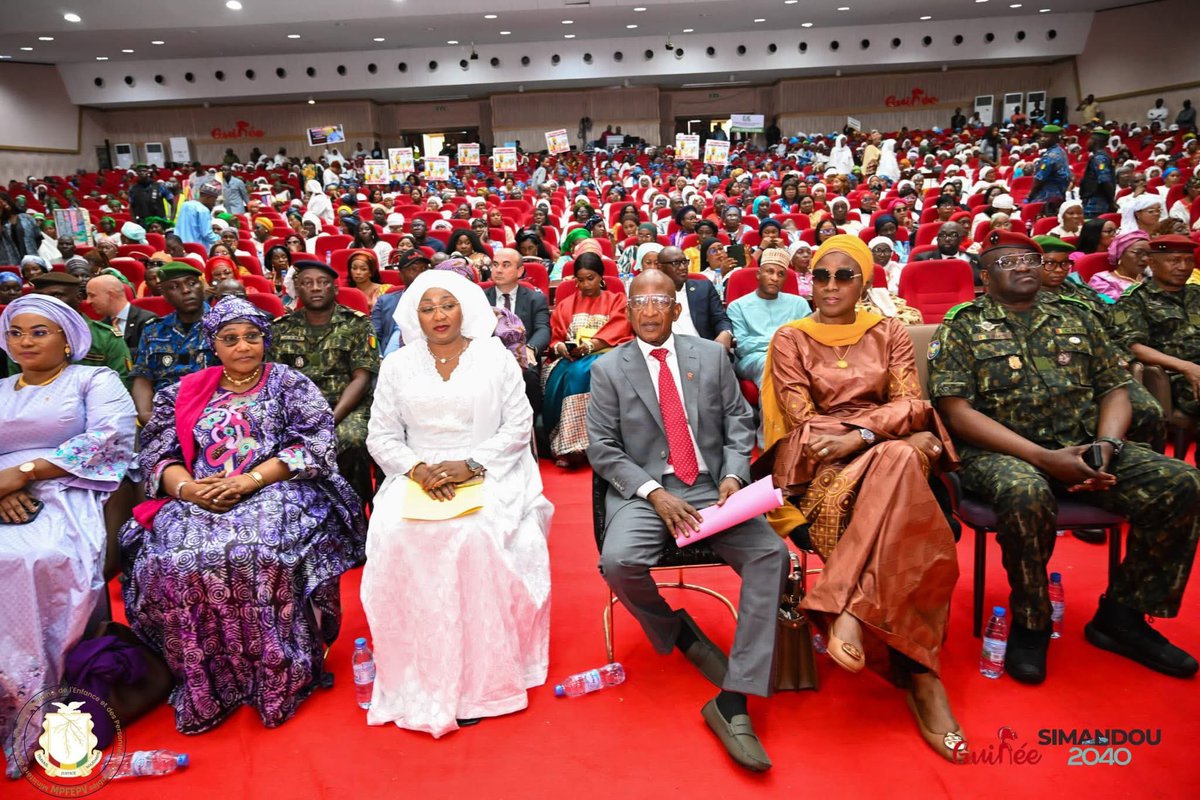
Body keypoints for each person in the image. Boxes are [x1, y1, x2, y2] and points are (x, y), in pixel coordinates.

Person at [929, 230, 1200, 684]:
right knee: (1025, 492)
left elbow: (1115, 389)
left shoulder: (1078, 315)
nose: (1023, 266)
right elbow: (956, 412)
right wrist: (1043, 457)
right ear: (985, 273)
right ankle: (1031, 621)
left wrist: (1106, 449)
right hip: (1001, 453)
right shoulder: (963, 324)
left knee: (1182, 482)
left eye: (1029, 259)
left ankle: (1122, 617)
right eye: (1008, 260)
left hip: (1084, 444)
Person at [758, 234, 966, 762]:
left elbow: (913, 401)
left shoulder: (891, 331)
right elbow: (805, 422)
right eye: (820, 276)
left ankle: (842, 600)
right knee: (901, 457)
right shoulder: (791, 338)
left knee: (895, 458)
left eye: (843, 276)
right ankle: (923, 678)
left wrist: (861, 437)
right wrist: (880, 438)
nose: (830, 286)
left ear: (864, 282)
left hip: (867, 455)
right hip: (822, 469)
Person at [119, 297, 366, 734]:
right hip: (200, 492)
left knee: (256, 549)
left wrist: (249, 481)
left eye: (252, 336)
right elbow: (159, 453)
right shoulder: (185, 390)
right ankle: (206, 680)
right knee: (175, 558)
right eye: (230, 338)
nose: (243, 346)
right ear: (214, 344)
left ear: (265, 339)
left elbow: (314, 444)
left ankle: (279, 672)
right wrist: (191, 489)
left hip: (277, 487)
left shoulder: (288, 383)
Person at [586, 268, 790, 772]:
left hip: (710, 488)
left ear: (677, 309)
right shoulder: (608, 368)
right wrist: (654, 494)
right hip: (647, 491)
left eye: (659, 300)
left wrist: (735, 477)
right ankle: (677, 632)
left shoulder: (713, 357)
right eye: (639, 302)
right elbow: (603, 449)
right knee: (619, 562)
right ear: (627, 311)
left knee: (772, 556)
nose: (649, 310)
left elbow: (740, 423)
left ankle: (734, 698)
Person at [361, 269, 553, 737]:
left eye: (446, 304)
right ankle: (418, 672)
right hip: (417, 474)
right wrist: (417, 469)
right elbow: (381, 436)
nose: (438, 315)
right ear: (413, 316)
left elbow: (516, 426)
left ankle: (481, 679)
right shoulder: (398, 365)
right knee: (395, 533)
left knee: (472, 535)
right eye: (426, 308)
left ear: (464, 307)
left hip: (489, 467)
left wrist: (473, 463)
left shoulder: (494, 358)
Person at [0, 295, 136, 777]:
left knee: (38, 556)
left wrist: (25, 472)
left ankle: (44, 695)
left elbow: (109, 438)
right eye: (16, 331)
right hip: (2, 489)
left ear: (66, 337)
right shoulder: (0, 388)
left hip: (68, 486)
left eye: (40, 331)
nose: (26, 341)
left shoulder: (93, 380)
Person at [1035, 235, 1165, 458]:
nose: (1059, 270)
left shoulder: (1084, 293)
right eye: (1050, 263)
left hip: (1102, 367)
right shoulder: (1024, 295)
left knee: (1149, 411)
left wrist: (1119, 356)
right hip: (1059, 369)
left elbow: (1114, 329)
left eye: (1065, 263)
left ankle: (1143, 461)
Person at [270, 260, 380, 504]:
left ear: (336, 289)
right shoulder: (280, 329)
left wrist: (327, 420)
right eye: (307, 283)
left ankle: (356, 511)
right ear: (297, 289)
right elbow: (275, 381)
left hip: (347, 406)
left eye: (323, 283)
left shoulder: (357, 324)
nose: (316, 288)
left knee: (352, 439)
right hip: (297, 411)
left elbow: (361, 379)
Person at [542, 253, 633, 467]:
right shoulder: (566, 304)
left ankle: (580, 444)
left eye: (590, 278)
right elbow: (556, 336)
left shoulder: (616, 300)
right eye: (580, 280)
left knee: (582, 372)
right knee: (562, 373)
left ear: (600, 276)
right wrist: (561, 346)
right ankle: (566, 443)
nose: (585, 284)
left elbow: (620, 328)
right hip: (571, 357)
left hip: (607, 352)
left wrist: (592, 345)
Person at [1111, 235, 1200, 424]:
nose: (1184, 267)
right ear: (1152, 263)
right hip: (1177, 376)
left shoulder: (1196, 293)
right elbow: (1132, 346)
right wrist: (1185, 366)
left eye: (1189, 260)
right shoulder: (1133, 300)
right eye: (1174, 261)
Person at [130, 262, 214, 424]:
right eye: (174, 287)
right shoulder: (154, 330)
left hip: (211, 415)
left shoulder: (224, 326)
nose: (186, 290)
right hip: (163, 416)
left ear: (202, 286)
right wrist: (146, 414)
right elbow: (143, 376)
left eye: (192, 283)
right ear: (164, 294)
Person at [727, 249, 811, 388]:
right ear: (759, 274)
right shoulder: (738, 307)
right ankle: (772, 410)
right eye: (770, 272)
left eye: (781, 274)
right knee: (773, 364)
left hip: (796, 356)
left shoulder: (799, 304)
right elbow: (741, 347)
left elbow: (808, 339)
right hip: (755, 359)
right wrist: (783, 341)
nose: (775, 278)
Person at [30, 272, 131, 383]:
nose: (47, 302)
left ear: (78, 298)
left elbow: (122, 383)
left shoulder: (105, 338)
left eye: (56, 296)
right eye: (39, 297)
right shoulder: (23, 339)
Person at [484, 247, 551, 410]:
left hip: (522, 358)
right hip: (486, 357)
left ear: (520, 271)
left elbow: (543, 329)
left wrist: (529, 348)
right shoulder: (480, 297)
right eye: (495, 264)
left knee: (529, 377)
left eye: (506, 265)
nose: (498, 270)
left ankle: (530, 428)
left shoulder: (535, 298)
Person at [650, 246, 733, 349]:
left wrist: (725, 333)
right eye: (675, 263)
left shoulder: (704, 288)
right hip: (668, 352)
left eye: (685, 262)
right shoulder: (650, 295)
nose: (682, 267)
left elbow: (720, 318)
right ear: (660, 267)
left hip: (703, 349)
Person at [86, 273, 158, 358]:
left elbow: (151, 353)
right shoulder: (102, 326)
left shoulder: (147, 320)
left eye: (92, 295)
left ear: (111, 295)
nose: (88, 301)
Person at [372, 249, 430, 351]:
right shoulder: (385, 301)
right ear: (401, 275)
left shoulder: (439, 302)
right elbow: (374, 335)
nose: (420, 273)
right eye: (413, 269)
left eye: (424, 269)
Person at [912, 221, 981, 285]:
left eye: (953, 235)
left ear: (962, 239)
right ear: (937, 239)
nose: (947, 239)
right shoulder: (923, 259)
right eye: (942, 235)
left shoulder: (975, 259)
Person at [1089, 231, 1150, 301]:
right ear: (1120, 254)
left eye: (1149, 254)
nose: (1145, 259)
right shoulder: (1101, 281)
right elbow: (1111, 306)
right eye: (1138, 252)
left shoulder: (1149, 279)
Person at [1027, 125, 1072, 210]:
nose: (1042, 139)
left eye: (1046, 137)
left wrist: (1030, 195)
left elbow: (1039, 178)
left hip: (1047, 196)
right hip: (1059, 194)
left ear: (1055, 138)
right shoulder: (1061, 151)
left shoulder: (1050, 156)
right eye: (1041, 136)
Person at [1079, 130, 1116, 218]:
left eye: (1090, 139)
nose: (1087, 142)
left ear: (1095, 142)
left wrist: (1111, 201)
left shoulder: (1099, 158)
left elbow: (1105, 181)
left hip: (1096, 203)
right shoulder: (1102, 156)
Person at [175, 180, 221, 249]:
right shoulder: (203, 210)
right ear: (209, 197)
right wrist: (219, 239)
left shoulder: (185, 205)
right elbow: (207, 234)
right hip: (195, 248)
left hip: (180, 245)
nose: (214, 204)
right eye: (214, 200)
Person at [0, 191, 40, 266]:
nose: (4, 204)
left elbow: (38, 238)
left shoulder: (26, 217)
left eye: (5, 200)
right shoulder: (2, 223)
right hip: (10, 262)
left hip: (32, 260)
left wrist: (31, 250)